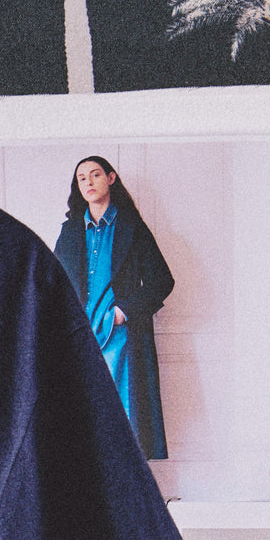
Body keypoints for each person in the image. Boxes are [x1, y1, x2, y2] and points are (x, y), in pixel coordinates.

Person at [51, 156, 175, 459]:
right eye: (82, 178)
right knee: (83, 429)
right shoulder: (70, 232)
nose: (88, 182)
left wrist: (123, 312)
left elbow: (162, 280)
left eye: (95, 175)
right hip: (81, 341)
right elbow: (52, 284)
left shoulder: (132, 227)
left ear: (111, 178)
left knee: (125, 431)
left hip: (122, 343)